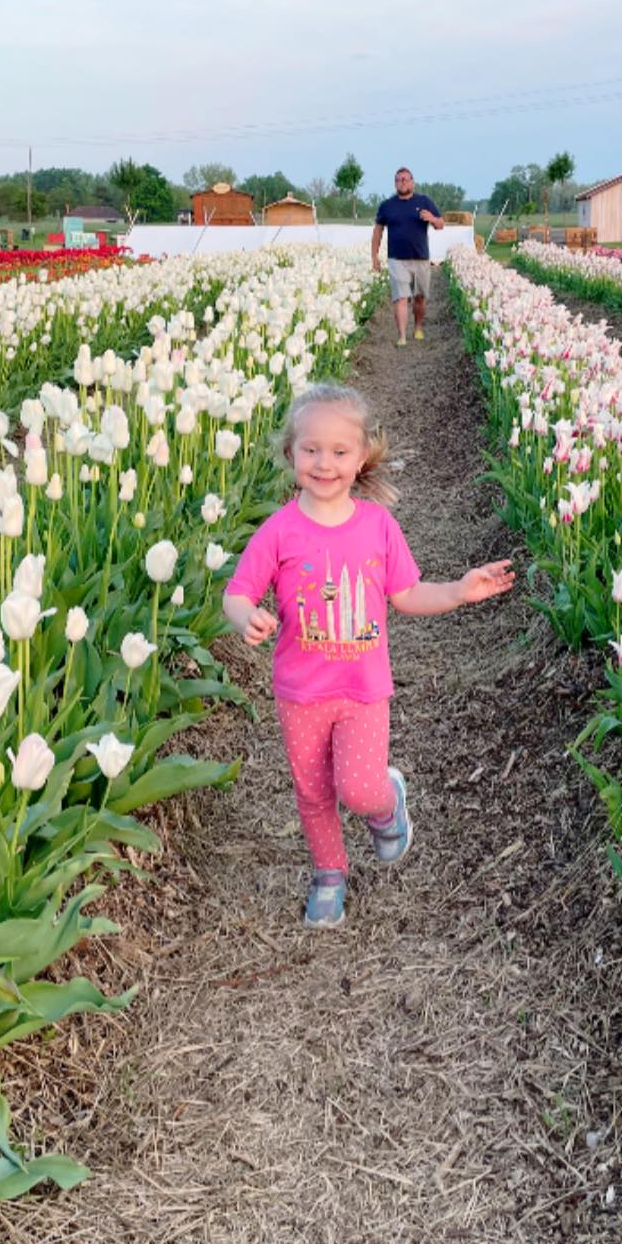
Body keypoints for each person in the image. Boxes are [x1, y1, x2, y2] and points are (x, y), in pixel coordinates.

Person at [222, 382, 514, 927]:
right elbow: (236, 593)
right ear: (291, 454)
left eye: (339, 451)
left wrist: (457, 590)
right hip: (300, 690)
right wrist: (248, 618)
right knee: (313, 792)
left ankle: (387, 803)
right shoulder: (279, 531)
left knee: (357, 788)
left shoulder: (378, 526)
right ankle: (329, 872)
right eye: (311, 450)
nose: (324, 463)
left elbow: (406, 595)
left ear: (361, 458)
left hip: (362, 690)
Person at [372, 167, 444, 347]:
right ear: (395, 183)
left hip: (420, 258)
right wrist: (374, 256)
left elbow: (441, 224)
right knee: (401, 298)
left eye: (405, 179)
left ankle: (418, 327)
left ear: (412, 181)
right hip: (397, 260)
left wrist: (432, 219)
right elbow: (378, 231)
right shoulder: (386, 206)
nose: (402, 182)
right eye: (398, 180)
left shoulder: (425, 201)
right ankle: (402, 336)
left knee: (419, 298)